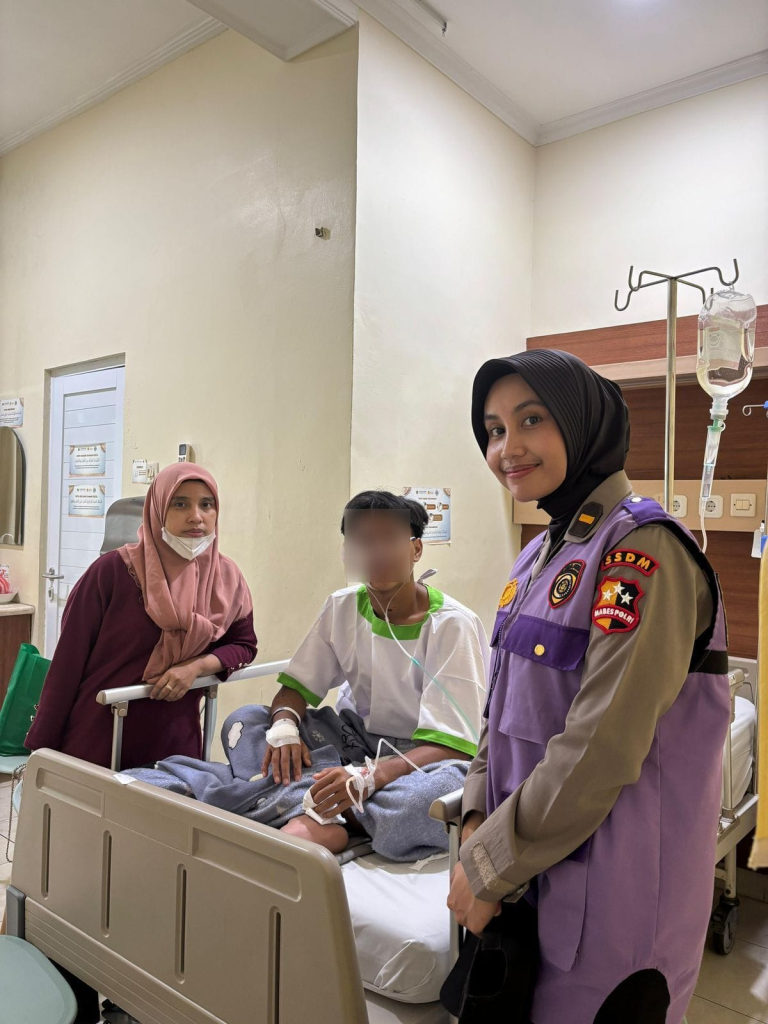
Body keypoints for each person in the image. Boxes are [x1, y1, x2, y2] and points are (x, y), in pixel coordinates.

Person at [446, 350, 730, 1024]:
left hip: (613, 899)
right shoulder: (539, 555)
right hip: (525, 877)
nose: (507, 448)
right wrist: (476, 816)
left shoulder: (642, 552)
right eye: (493, 430)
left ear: (583, 423)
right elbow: (497, 709)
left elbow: (600, 744)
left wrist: (488, 863)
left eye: (531, 420)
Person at [262, 490, 490, 856]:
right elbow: (295, 690)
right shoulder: (341, 607)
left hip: (428, 759)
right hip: (357, 741)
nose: (376, 552)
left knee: (436, 798)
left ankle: (316, 806)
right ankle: (336, 804)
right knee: (248, 722)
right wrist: (284, 727)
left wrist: (371, 776)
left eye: (389, 539)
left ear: (416, 549)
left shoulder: (452, 625)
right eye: (363, 541)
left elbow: (456, 747)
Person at [26, 463, 257, 770]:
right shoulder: (111, 572)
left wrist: (196, 667)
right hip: (98, 739)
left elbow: (244, 645)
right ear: (157, 509)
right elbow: (68, 663)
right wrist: (41, 749)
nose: (196, 516)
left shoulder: (226, 578)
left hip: (175, 745)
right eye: (180, 504)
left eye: (206, 504)